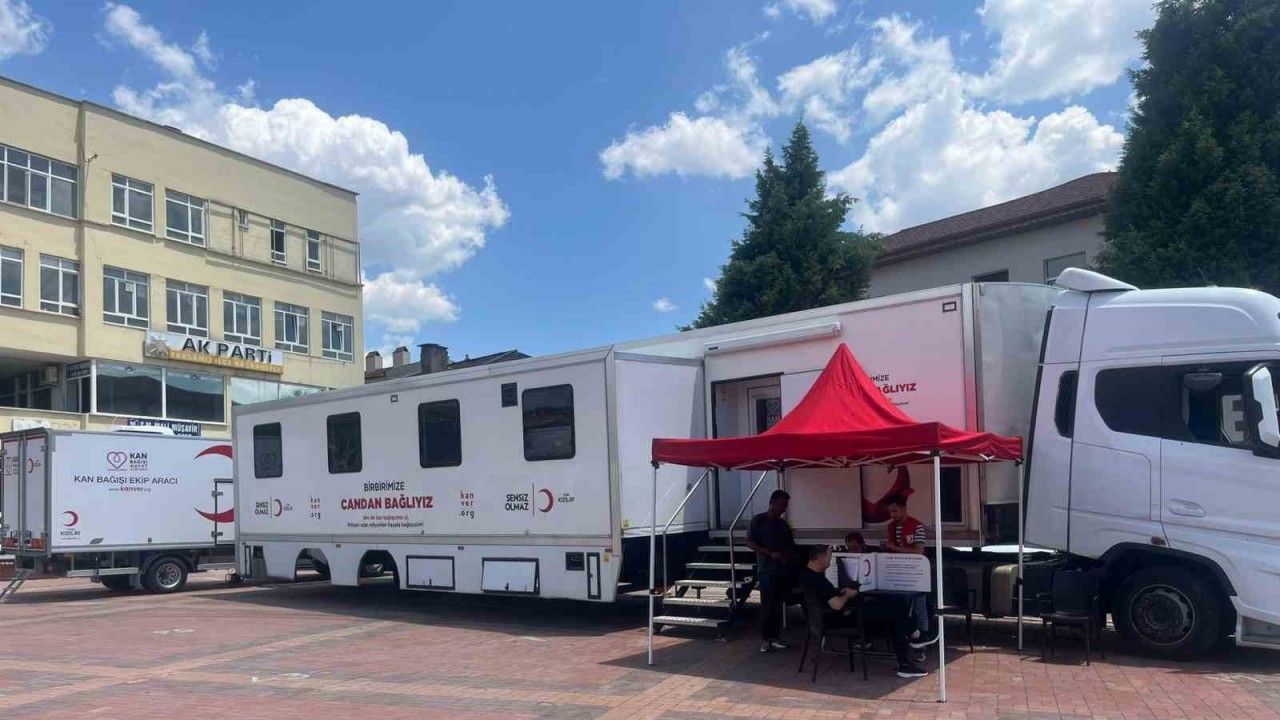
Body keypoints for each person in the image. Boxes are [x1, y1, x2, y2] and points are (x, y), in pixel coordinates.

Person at [801, 544, 928, 679]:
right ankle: (909, 651)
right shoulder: (817, 580)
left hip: (829, 617)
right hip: (842, 618)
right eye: (829, 557)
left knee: (893, 604)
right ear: (820, 558)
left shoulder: (807, 575)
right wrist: (847, 595)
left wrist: (843, 593)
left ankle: (910, 643)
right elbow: (837, 605)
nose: (830, 561)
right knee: (897, 613)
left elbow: (826, 598)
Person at [884, 494, 936, 648]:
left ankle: (923, 637)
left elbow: (919, 551)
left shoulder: (917, 526)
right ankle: (903, 635)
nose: (892, 515)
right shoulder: (891, 527)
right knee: (900, 605)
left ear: (903, 509)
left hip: (916, 572)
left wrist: (896, 548)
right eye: (890, 512)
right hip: (898, 572)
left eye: (895, 511)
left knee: (920, 605)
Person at [747, 489, 795, 653]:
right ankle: (766, 639)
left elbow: (790, 545)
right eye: (781, 504)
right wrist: (769, 553)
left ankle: (775, 637)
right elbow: (749, 542)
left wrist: (787, 556)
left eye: (785, 506)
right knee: (767, 606)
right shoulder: (758, 520)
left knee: (777, 605)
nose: (783, 509)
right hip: (766, 570)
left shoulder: (783, 524)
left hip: (782, 570)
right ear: (772, 503)